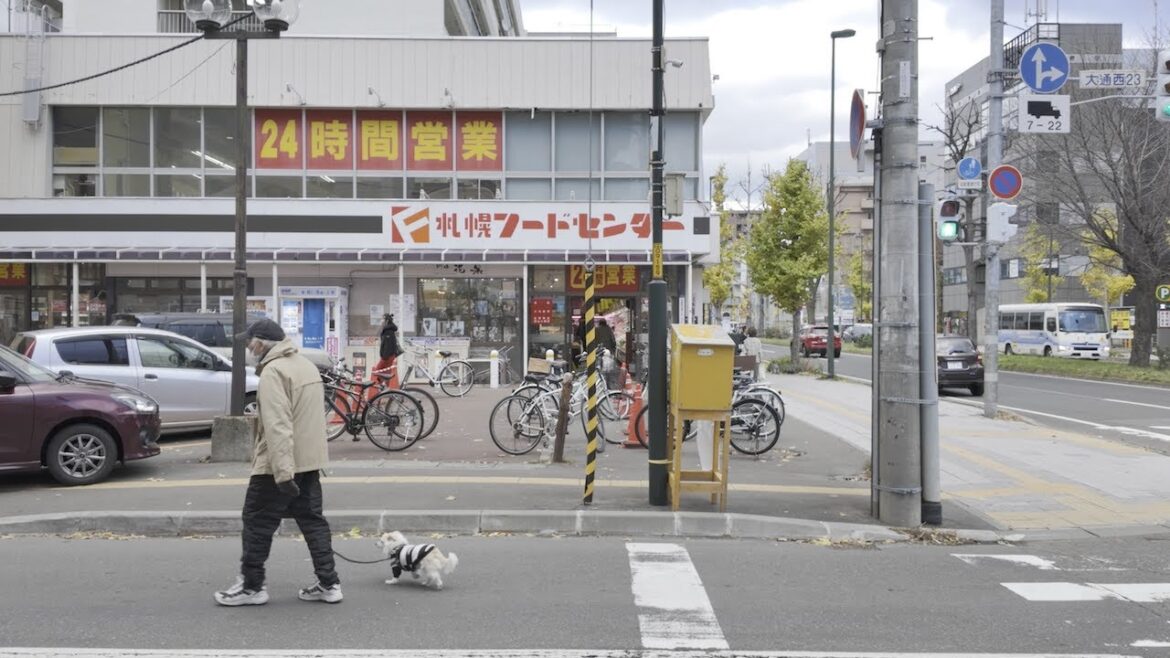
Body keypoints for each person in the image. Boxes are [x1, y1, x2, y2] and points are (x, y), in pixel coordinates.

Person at [214, 318, 341, 606]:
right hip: (309, 461)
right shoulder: (305, 365)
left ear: (260, 343)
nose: (248, 347)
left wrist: (283, 473)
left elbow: (278, 426)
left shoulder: (274, 373)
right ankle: (329, 583)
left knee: (256, 522)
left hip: (278, 464)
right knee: (312, 522)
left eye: (249, 342)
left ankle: (251, 586)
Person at [374, 313, 400, 380]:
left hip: (387, 356)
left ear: (387, 320)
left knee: (377, 371)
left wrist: (384, 356)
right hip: (388, 356)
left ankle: (385, 388)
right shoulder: (388, 330)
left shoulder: (388, 331)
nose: (381, 321)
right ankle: (383, 387)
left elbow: (388, 345)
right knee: (385, 373)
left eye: (383, 319)